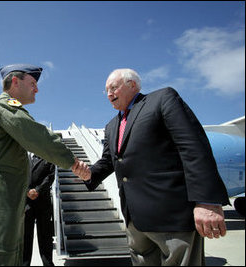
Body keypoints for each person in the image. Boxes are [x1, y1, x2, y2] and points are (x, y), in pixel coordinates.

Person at [72, 68, 230, 266]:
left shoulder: (163, 99)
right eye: (106, 91)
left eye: (114, 87)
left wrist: (207, 201)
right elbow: (109, 160)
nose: (109, 94)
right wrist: (89, 173)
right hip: (135, 220)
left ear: (133, 85)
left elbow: (194, 147)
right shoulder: (111, 126)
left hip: (172, 216)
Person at [0, 63, 88, 266]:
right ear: (15, 81)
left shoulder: (5, 108)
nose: (36, 89)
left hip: (4, 193)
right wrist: (73, 163)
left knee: (7, 252)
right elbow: (34, 134)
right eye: (32, 83)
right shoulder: (3, 104)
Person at [23, 154, 56, 266]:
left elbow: (50, 176)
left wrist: (37, 191)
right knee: (25, 237)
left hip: (43, 202)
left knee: (45, 237)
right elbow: (18, 176)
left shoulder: (48, 155)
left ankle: (48, 263)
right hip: (26, 204)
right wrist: (27, 191)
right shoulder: (23, 156)